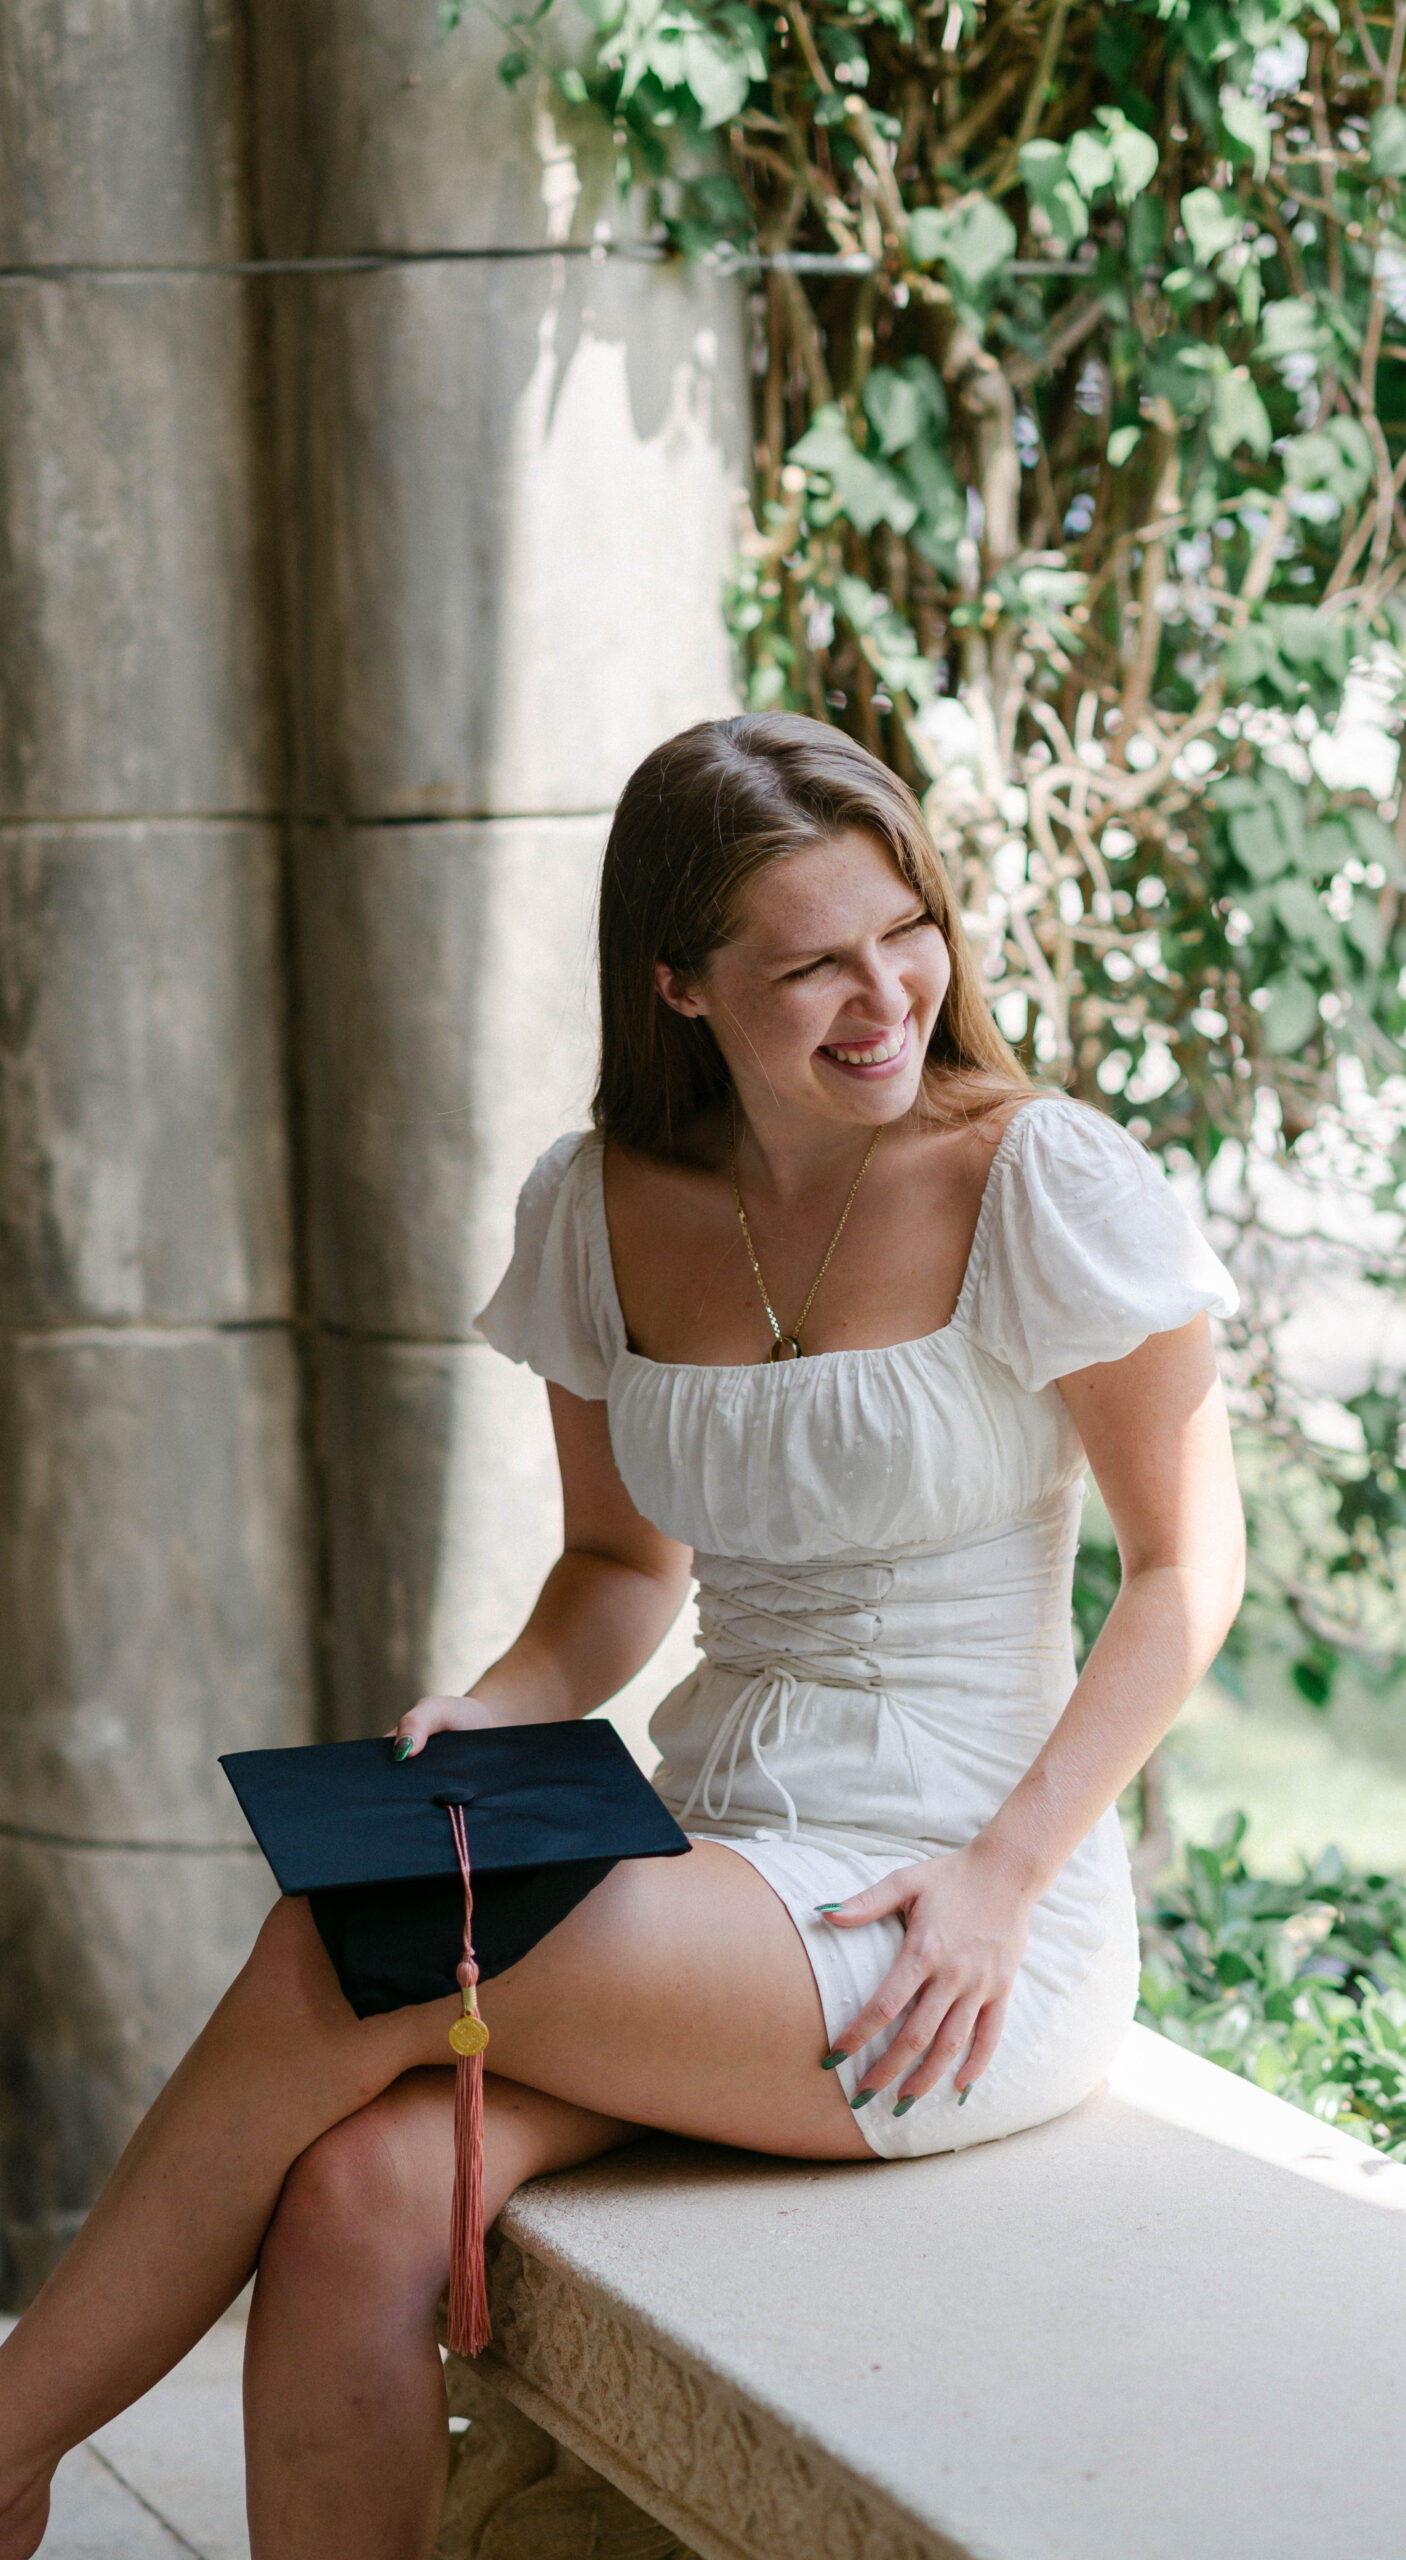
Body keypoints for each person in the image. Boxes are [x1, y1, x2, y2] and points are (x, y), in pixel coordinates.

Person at [0, 712, 1244, 2560]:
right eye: (808, 966)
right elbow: (613, 1567)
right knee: (351, 2201)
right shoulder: (598, 1203)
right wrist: (490, 1707)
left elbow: (1182, 1572)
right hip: (706, 1863)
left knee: (342, 1942)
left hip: (947, 1914)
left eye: (905, 930)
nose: (884, 998)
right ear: (676, 981)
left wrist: (999, 1880)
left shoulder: (1040, 1177)